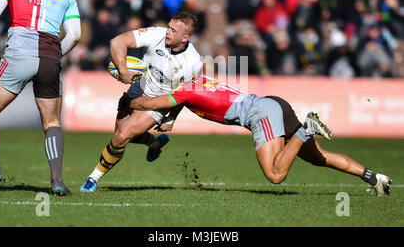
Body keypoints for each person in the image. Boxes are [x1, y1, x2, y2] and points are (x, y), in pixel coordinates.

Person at [127, 75, 392, 197]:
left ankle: (306, 129)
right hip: (272, 103)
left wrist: (133, 99)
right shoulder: (197, 80)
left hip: (260, 114)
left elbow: (152, 104)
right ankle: (375, 178)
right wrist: (171, 120)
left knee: (275, 175)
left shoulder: (182, 92)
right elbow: (183, 101)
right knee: (316, 157)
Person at [0, 0, 81, 196]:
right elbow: (75, 35)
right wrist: (57, 54)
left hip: (19, 54)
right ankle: (57, 181)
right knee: (52, 122)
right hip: (50, 58)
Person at [80, 12, 203, 192]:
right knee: (121, 136)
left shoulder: (193, 62)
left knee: (121, 137)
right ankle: (154, 143)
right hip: (136, 91)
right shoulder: (156, 34)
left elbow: (185, 94)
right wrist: (123, 71)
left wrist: (170, 119)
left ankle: (93, 178)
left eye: (173, 30)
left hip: (157, 103)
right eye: (168, 26)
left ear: (185, 37)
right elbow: (117, 42)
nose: (168, 32)